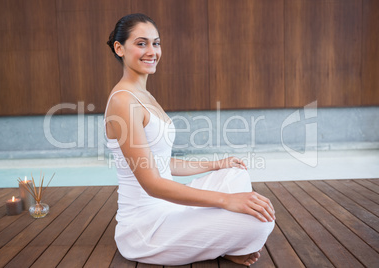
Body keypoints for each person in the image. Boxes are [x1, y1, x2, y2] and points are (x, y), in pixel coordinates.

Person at [104, 13, 275, 266]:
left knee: (235, 174)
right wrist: (227, 200)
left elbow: (163, 163)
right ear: (120, 48)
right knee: (259, 221)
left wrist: (216, 164)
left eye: (156, 43)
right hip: (146, 228)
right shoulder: (123, 101)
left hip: (169, 208)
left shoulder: (144, 95)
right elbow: (152, 184)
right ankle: (222, 244)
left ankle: (219, 243)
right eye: (141, 43)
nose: (152, 51)